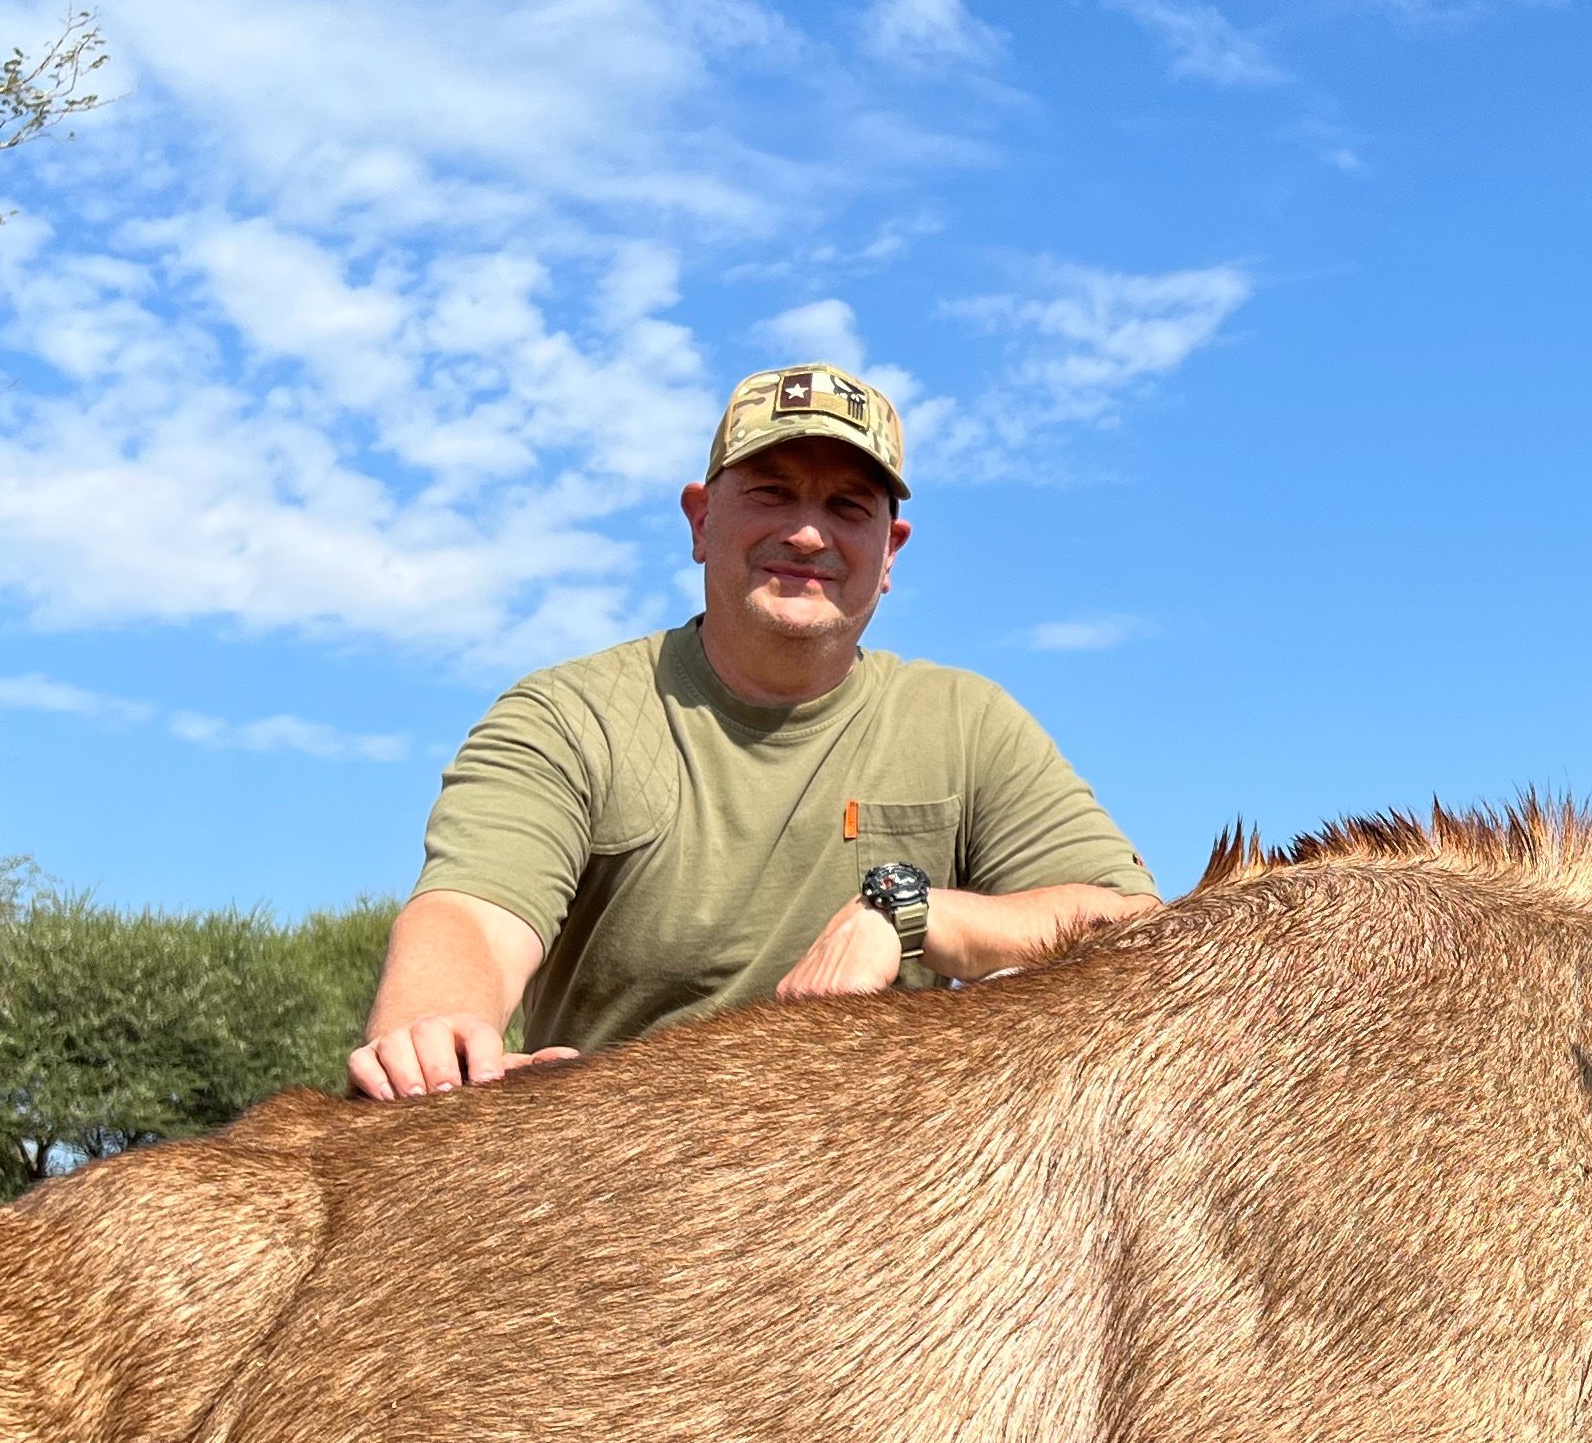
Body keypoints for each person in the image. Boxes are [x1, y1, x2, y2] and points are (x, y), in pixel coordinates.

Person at [347, 363, 1162, 1100]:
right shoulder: (568, 716)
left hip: (892, 1204)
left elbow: (1132, 927)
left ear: (890, 553)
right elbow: (474, 915)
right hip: (604, 1189)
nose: (808, 533)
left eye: (848, 506)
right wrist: (435, 1033)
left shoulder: (968, 722)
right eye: (771, 492)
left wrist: (910, 916)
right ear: (700, 520)